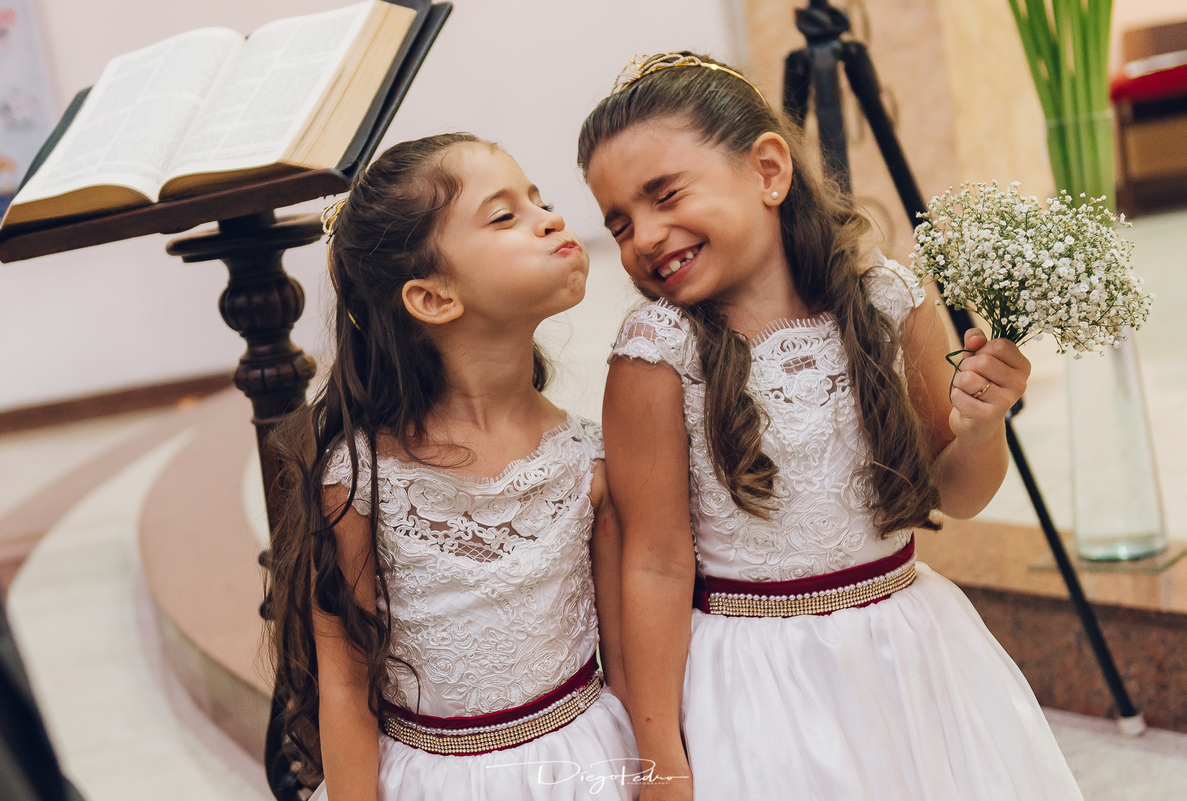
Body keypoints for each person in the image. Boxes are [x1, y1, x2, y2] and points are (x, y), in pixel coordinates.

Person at [578, 53, 1083, 800]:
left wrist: (982, 428)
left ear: (768, 170)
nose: (644, 237)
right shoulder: (656, 354)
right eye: (619, 223)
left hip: (907, 658)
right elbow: (653, 565)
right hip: (757, 685)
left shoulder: (887, 302)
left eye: (666, 194)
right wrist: (660, 754)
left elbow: (956, 494)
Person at [268, 133, 639, 801]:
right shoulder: (360, 481)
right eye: (505, 215)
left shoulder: (588, 460)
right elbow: (346, 685)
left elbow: (625, 663)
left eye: (539, 201)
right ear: (433, 297)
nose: (550, 218)